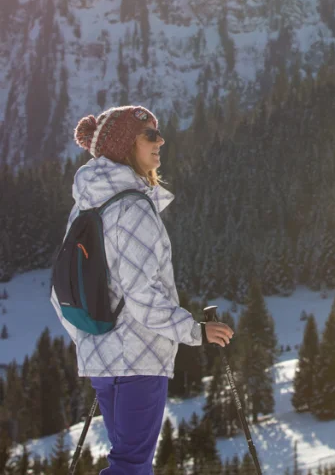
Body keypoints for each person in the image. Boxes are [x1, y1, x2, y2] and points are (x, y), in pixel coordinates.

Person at [51, 104, 233, 475]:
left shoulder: (85, 206)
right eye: (149, 135)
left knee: (126, 462)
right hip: (139, 357)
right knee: (131, 467)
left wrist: (90, 339)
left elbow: (61, 292)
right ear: (124, 145)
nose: (160, 140)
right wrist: (195, 332)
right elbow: (144, 297)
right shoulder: (132, 209)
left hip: (102, 361)